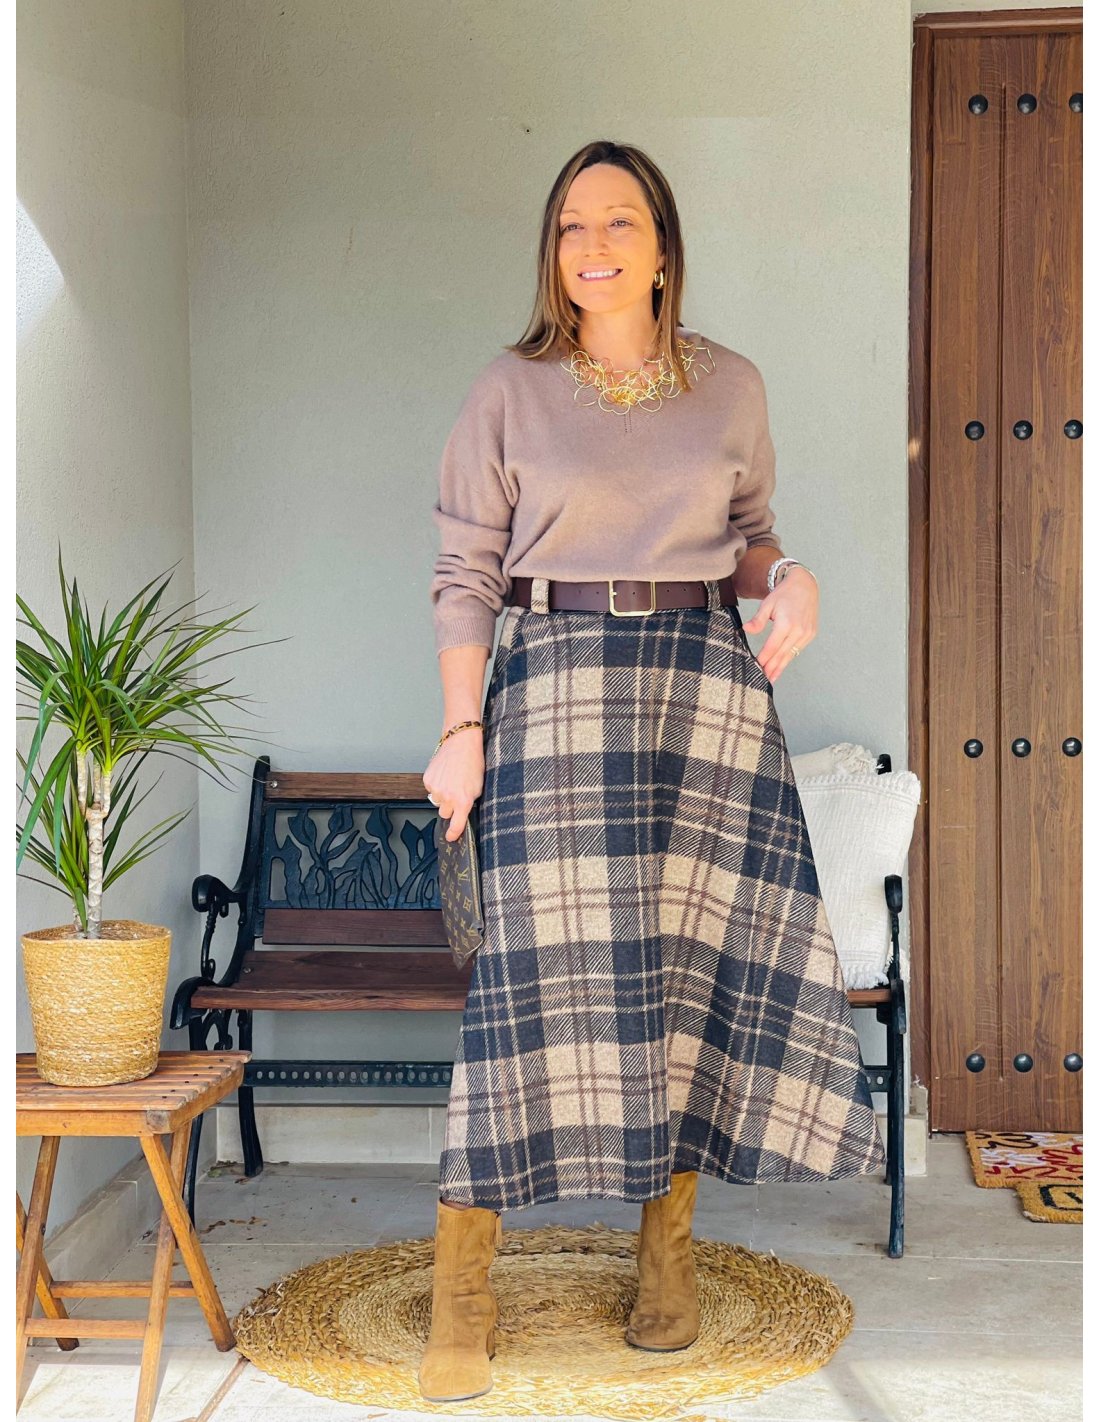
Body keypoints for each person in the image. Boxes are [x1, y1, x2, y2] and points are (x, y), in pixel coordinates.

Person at [417, 138, 884, 1404]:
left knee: (680, 973)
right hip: (552, 685)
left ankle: (664, 1255)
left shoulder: (728, 385)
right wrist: (460, 729)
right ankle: (463, 1286)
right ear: (552, 253)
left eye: (617, 220)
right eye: (571, 225)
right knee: (521, 985)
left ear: (663, 247)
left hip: (700, 689)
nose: (593, 244)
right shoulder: (508, 390)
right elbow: (464, 574)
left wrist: (793, 577)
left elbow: (749, 540)